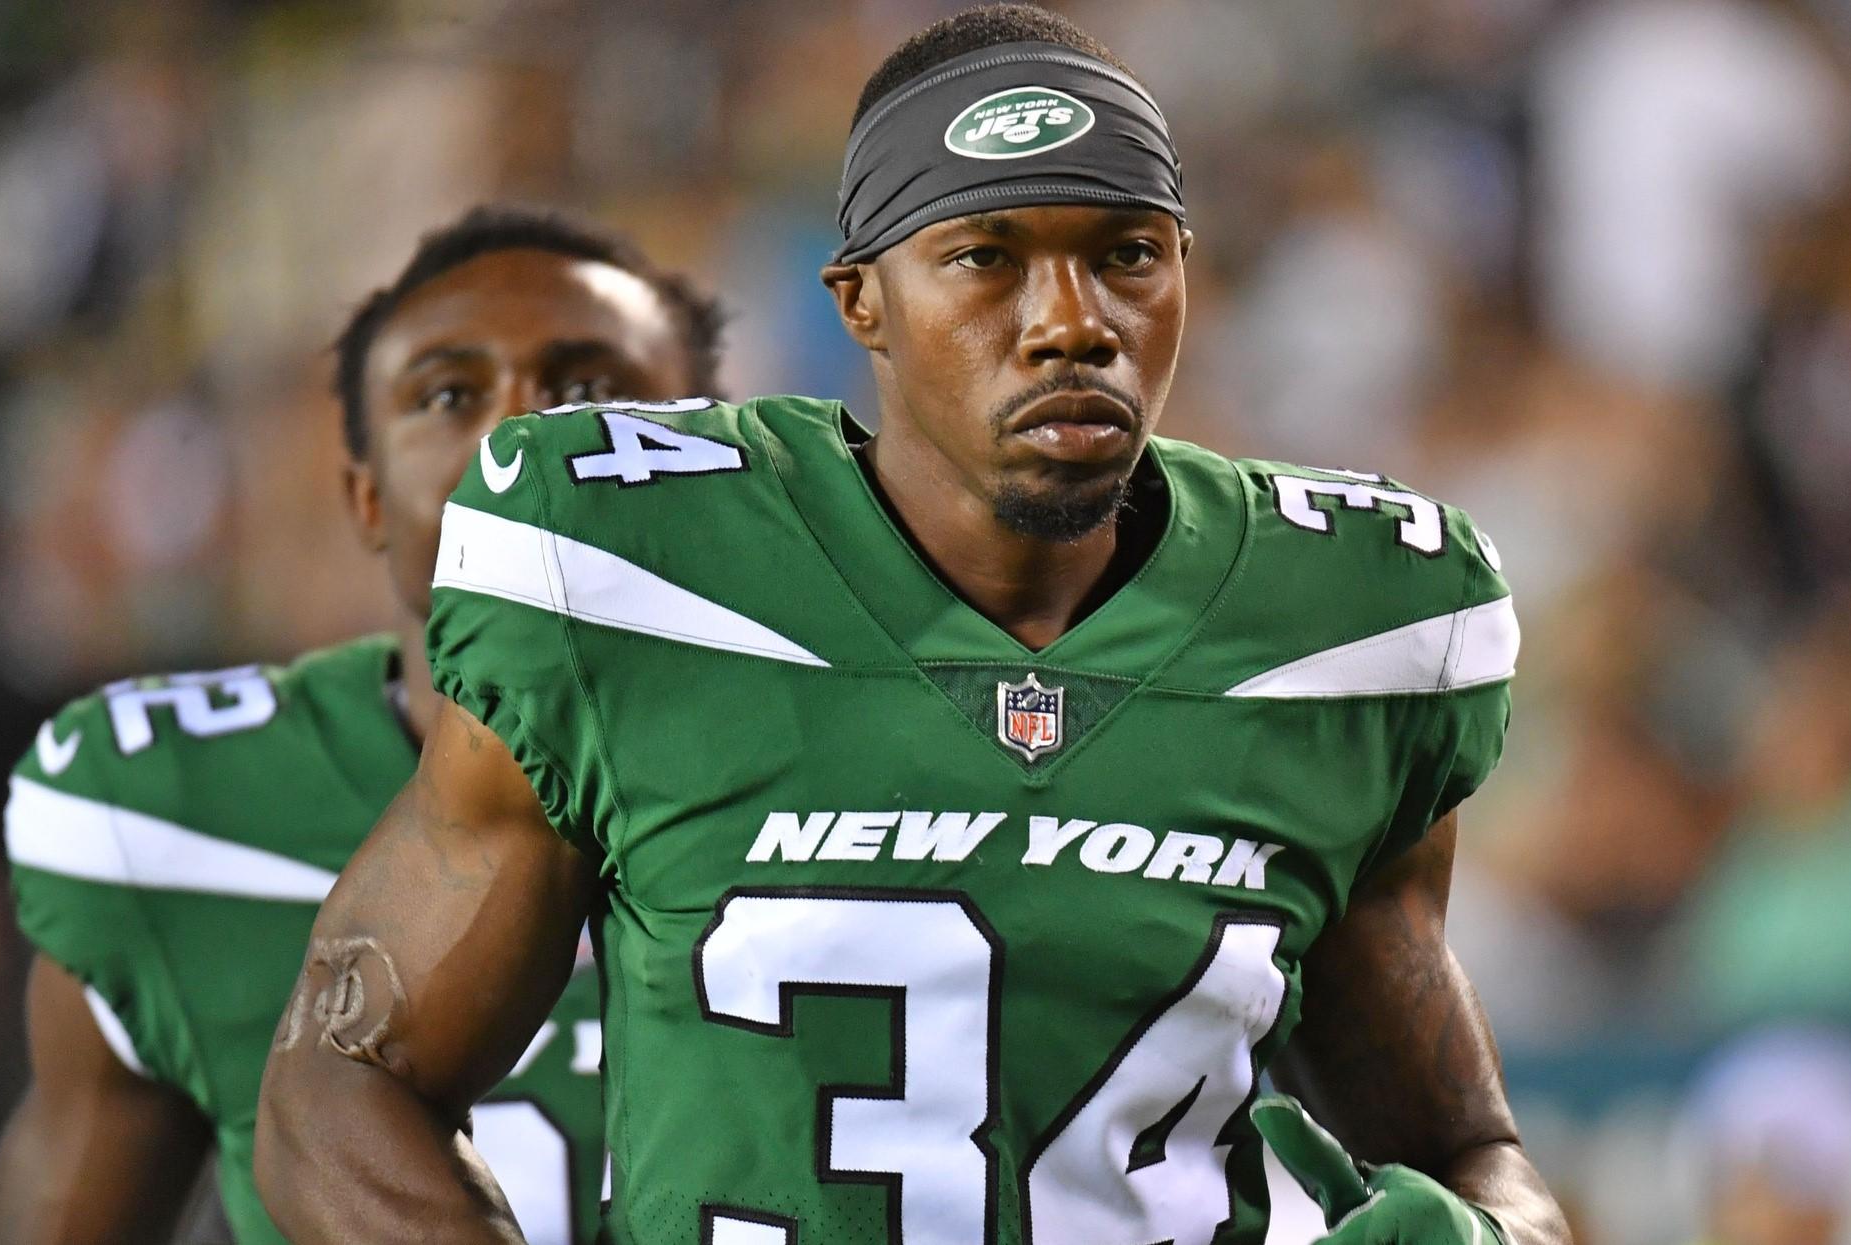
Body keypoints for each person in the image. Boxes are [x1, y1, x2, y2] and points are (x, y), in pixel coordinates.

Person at [255, 7, 1571, 1244]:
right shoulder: (632, 574)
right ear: (859, 303)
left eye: (1124, 254)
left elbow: (1466, 1149)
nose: (1070, 323)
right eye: (985, 258)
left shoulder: (1343, 628)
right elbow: (341, 1079)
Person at [0, 205, 724, 1245]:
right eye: (450, 394)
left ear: (722, 464)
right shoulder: (182, 820)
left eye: (589, 389)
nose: (520, 439)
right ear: (365, 497)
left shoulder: (900, 748)